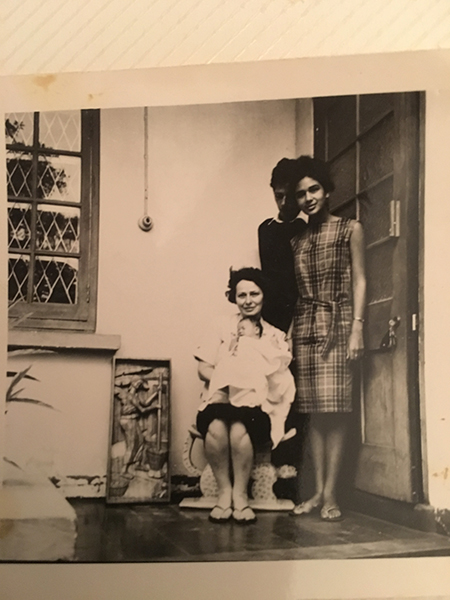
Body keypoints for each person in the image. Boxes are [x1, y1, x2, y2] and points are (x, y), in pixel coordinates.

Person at [290, 155, 366, 522]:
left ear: (327, 190)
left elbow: (361, 280)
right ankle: (318, 492)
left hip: (338, 325)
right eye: (302, 193)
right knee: (314, 417)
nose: (309, 198)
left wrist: (358, 327)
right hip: (305, 327)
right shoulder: (297, 240)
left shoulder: (350, 229)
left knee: (334, 414)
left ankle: (331, 493)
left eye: (314, 189)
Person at [194, 268, 295, 524]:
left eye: (254, 293)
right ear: (233, 297)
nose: (248, 300)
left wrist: (250, 378)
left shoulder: (275, 335)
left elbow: (278, 377)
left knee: (239, 429)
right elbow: (203, 368)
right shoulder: (220, 325)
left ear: (264, 295)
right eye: (241, 295)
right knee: (216, 427)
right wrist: (230, 376)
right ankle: (224, 494)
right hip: (220, 399)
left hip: (255, 405)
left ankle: (240, 497)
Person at [258, 158, 307, 333]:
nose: (285, 203)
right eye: (279, 196)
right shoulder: (265, 229)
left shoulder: (305, 227)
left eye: (291, 196)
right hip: (271, 314)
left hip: (301, 313)